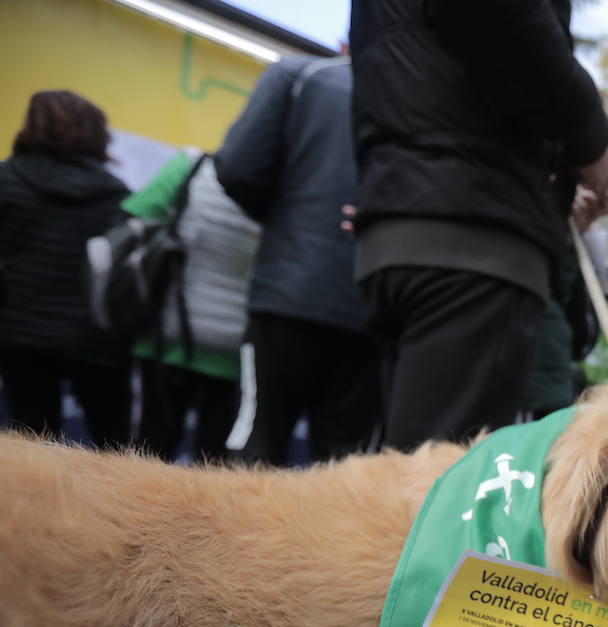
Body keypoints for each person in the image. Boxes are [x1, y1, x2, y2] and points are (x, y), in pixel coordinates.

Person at [349, 0, 608, 450]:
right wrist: (593, 135)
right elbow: (503, 22)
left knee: (402, 469)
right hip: (477, 239)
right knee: (437, 487)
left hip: (411, 223)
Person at [216, 54, 381, 466]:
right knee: (344, 465)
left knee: (254, 443)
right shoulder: (420, 93)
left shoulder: (300, 75)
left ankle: (235, 533)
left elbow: (237, 168)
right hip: (375, 304)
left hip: (288, 292)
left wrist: (286, 218)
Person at [0, 90, 131, 448]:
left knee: (31, 448)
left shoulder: (7, 179)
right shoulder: (116, 193)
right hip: (98, 339)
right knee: (114, 450)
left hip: (19, 333)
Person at [120, 149, 259, 462]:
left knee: (149, 455)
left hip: (167, 338)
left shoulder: (191, 167)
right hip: (235, 350)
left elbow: (136, 216)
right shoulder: (281, 186)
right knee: (215, 464)